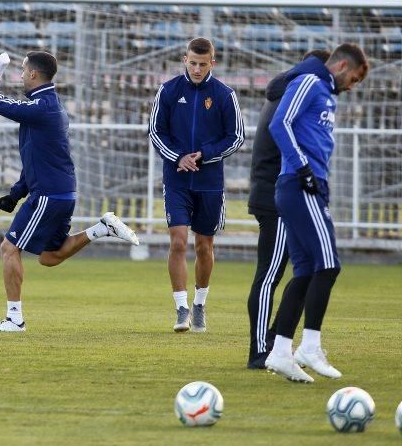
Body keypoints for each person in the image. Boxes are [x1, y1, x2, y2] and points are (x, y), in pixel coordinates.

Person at [0, 46, 141, 332]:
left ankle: (15, 319)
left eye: (23, 70)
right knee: (49, 257)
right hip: (60, 192)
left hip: (49, 195)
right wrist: (16, 194)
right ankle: (100, 229)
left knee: (8, 247)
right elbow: (37, 161)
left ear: (33, 74)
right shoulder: (45, 107)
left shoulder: (43, 107)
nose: (21, 75)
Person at [264, 44, 368, 383]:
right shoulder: (310, 81)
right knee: (329, 264)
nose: (352, 86)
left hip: (309, 184)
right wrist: (304, 168)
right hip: (299, 183)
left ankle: (280, 352)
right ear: (340, 66)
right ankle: (310, 346)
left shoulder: (328, 94)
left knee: (307, 271)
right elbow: (280, 124)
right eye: (352, 78)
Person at [148, 37, 244, 334]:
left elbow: (236, 137)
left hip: (209, 183)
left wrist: (205, 154)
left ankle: (200, 303)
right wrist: (178, 157)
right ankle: (181, 308)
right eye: (193, 63)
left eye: (203, 64)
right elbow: (155, 131)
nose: (198, 69)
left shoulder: (225, 95)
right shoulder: (168, 90)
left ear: (212, 62)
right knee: (177, 241)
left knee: (204, 245)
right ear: (184, 59)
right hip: (176, 179)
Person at [246, 49, 331, 370]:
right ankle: (258, 350)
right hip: (276, 198)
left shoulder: (287, 89)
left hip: (279, 195)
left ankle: (271, 342)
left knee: (304, 272)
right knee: (269, 276)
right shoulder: (293, 95)